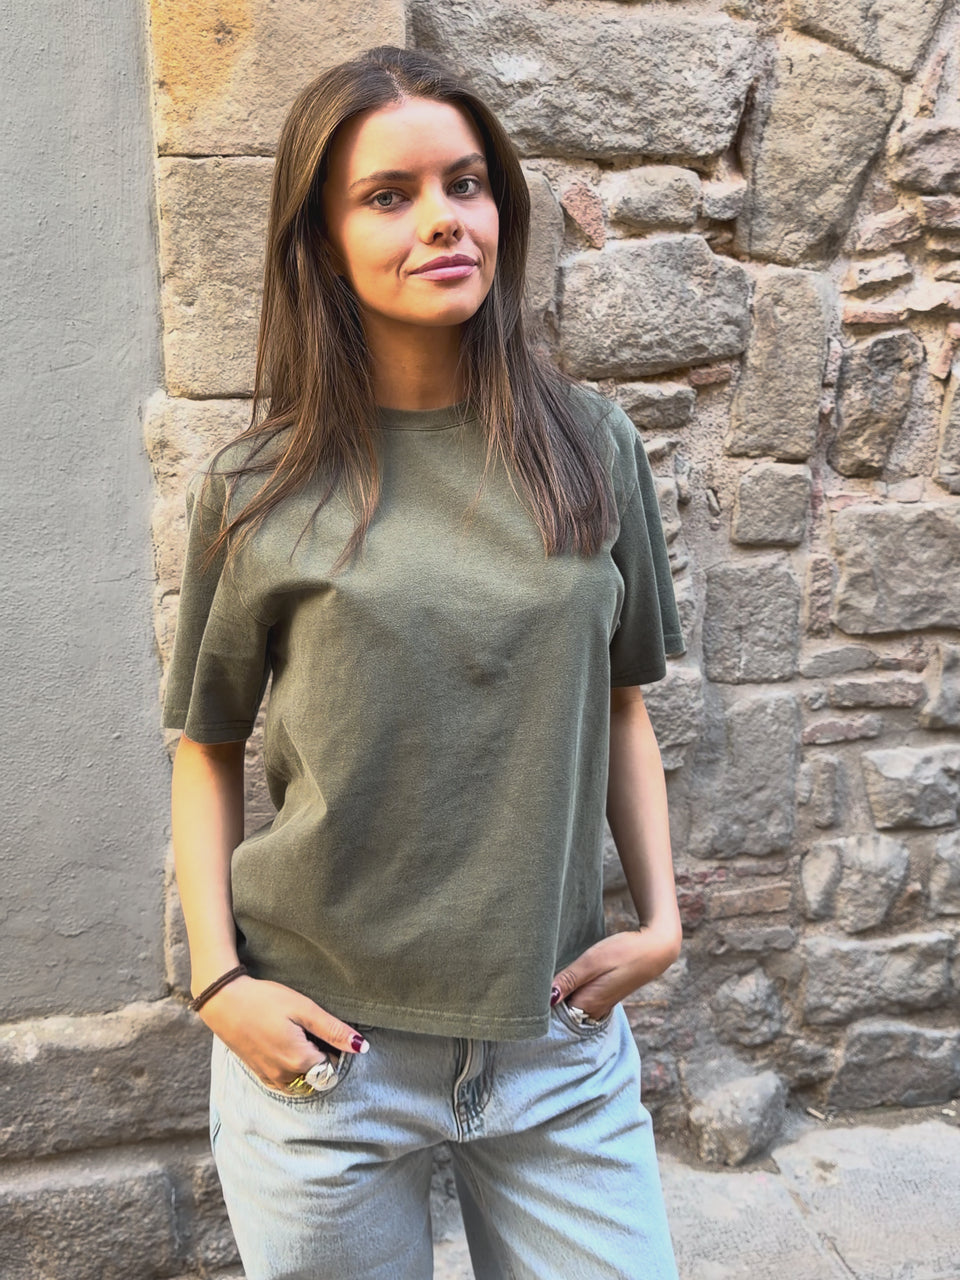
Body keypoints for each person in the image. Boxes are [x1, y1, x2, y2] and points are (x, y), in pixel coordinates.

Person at [164, 43, 686, 1280]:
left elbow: (620, 705)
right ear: (323, 239)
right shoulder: (258, 488)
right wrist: (219, 980)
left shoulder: (591, 447)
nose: (444, 220)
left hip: (555, 1043)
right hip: (326, 1057)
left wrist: (663, 921)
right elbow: (208, 745)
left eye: (465, 183)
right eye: (388, 196)